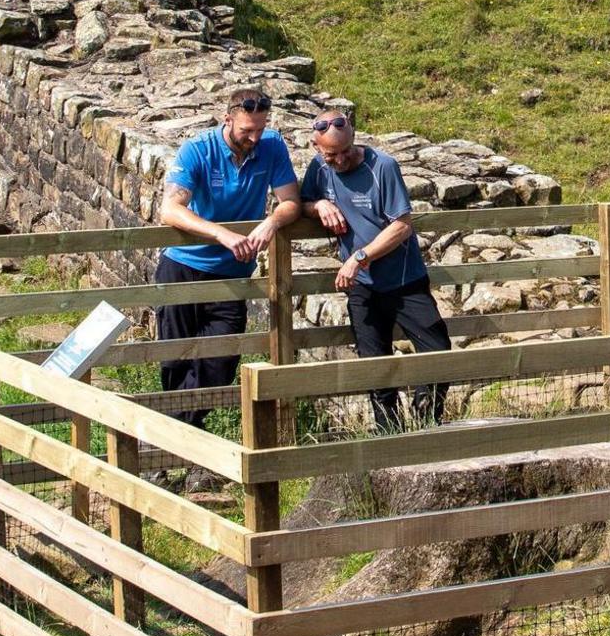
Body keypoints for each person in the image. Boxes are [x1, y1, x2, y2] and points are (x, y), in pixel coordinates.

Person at [156, 88, 300, 446]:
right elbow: (170, 209)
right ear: (228, 119)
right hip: (183, 266)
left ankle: (166, 435)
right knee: (176, 357)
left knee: (220, 361)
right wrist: (221, 234)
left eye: (260, 129)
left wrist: (271, 222)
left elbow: (291, 202)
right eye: (246, 131)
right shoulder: (197, 150)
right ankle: (182, 444)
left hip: (232, 273)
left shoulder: (272, 146)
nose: (253, 138)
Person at [299, 107, 451, 432]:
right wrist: (319, 206)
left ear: (353, 136)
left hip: (403, 278)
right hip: (363, 287)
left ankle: (426, 422)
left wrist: (359, 257)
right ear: (316, 147)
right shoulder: (319, 169)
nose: (339, 161)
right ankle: (389, 434)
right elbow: (302, 202)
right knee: (374, 364)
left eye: (344, 152)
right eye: (330, 155)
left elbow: (402, 226)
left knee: (438, 351)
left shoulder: (382, 166)